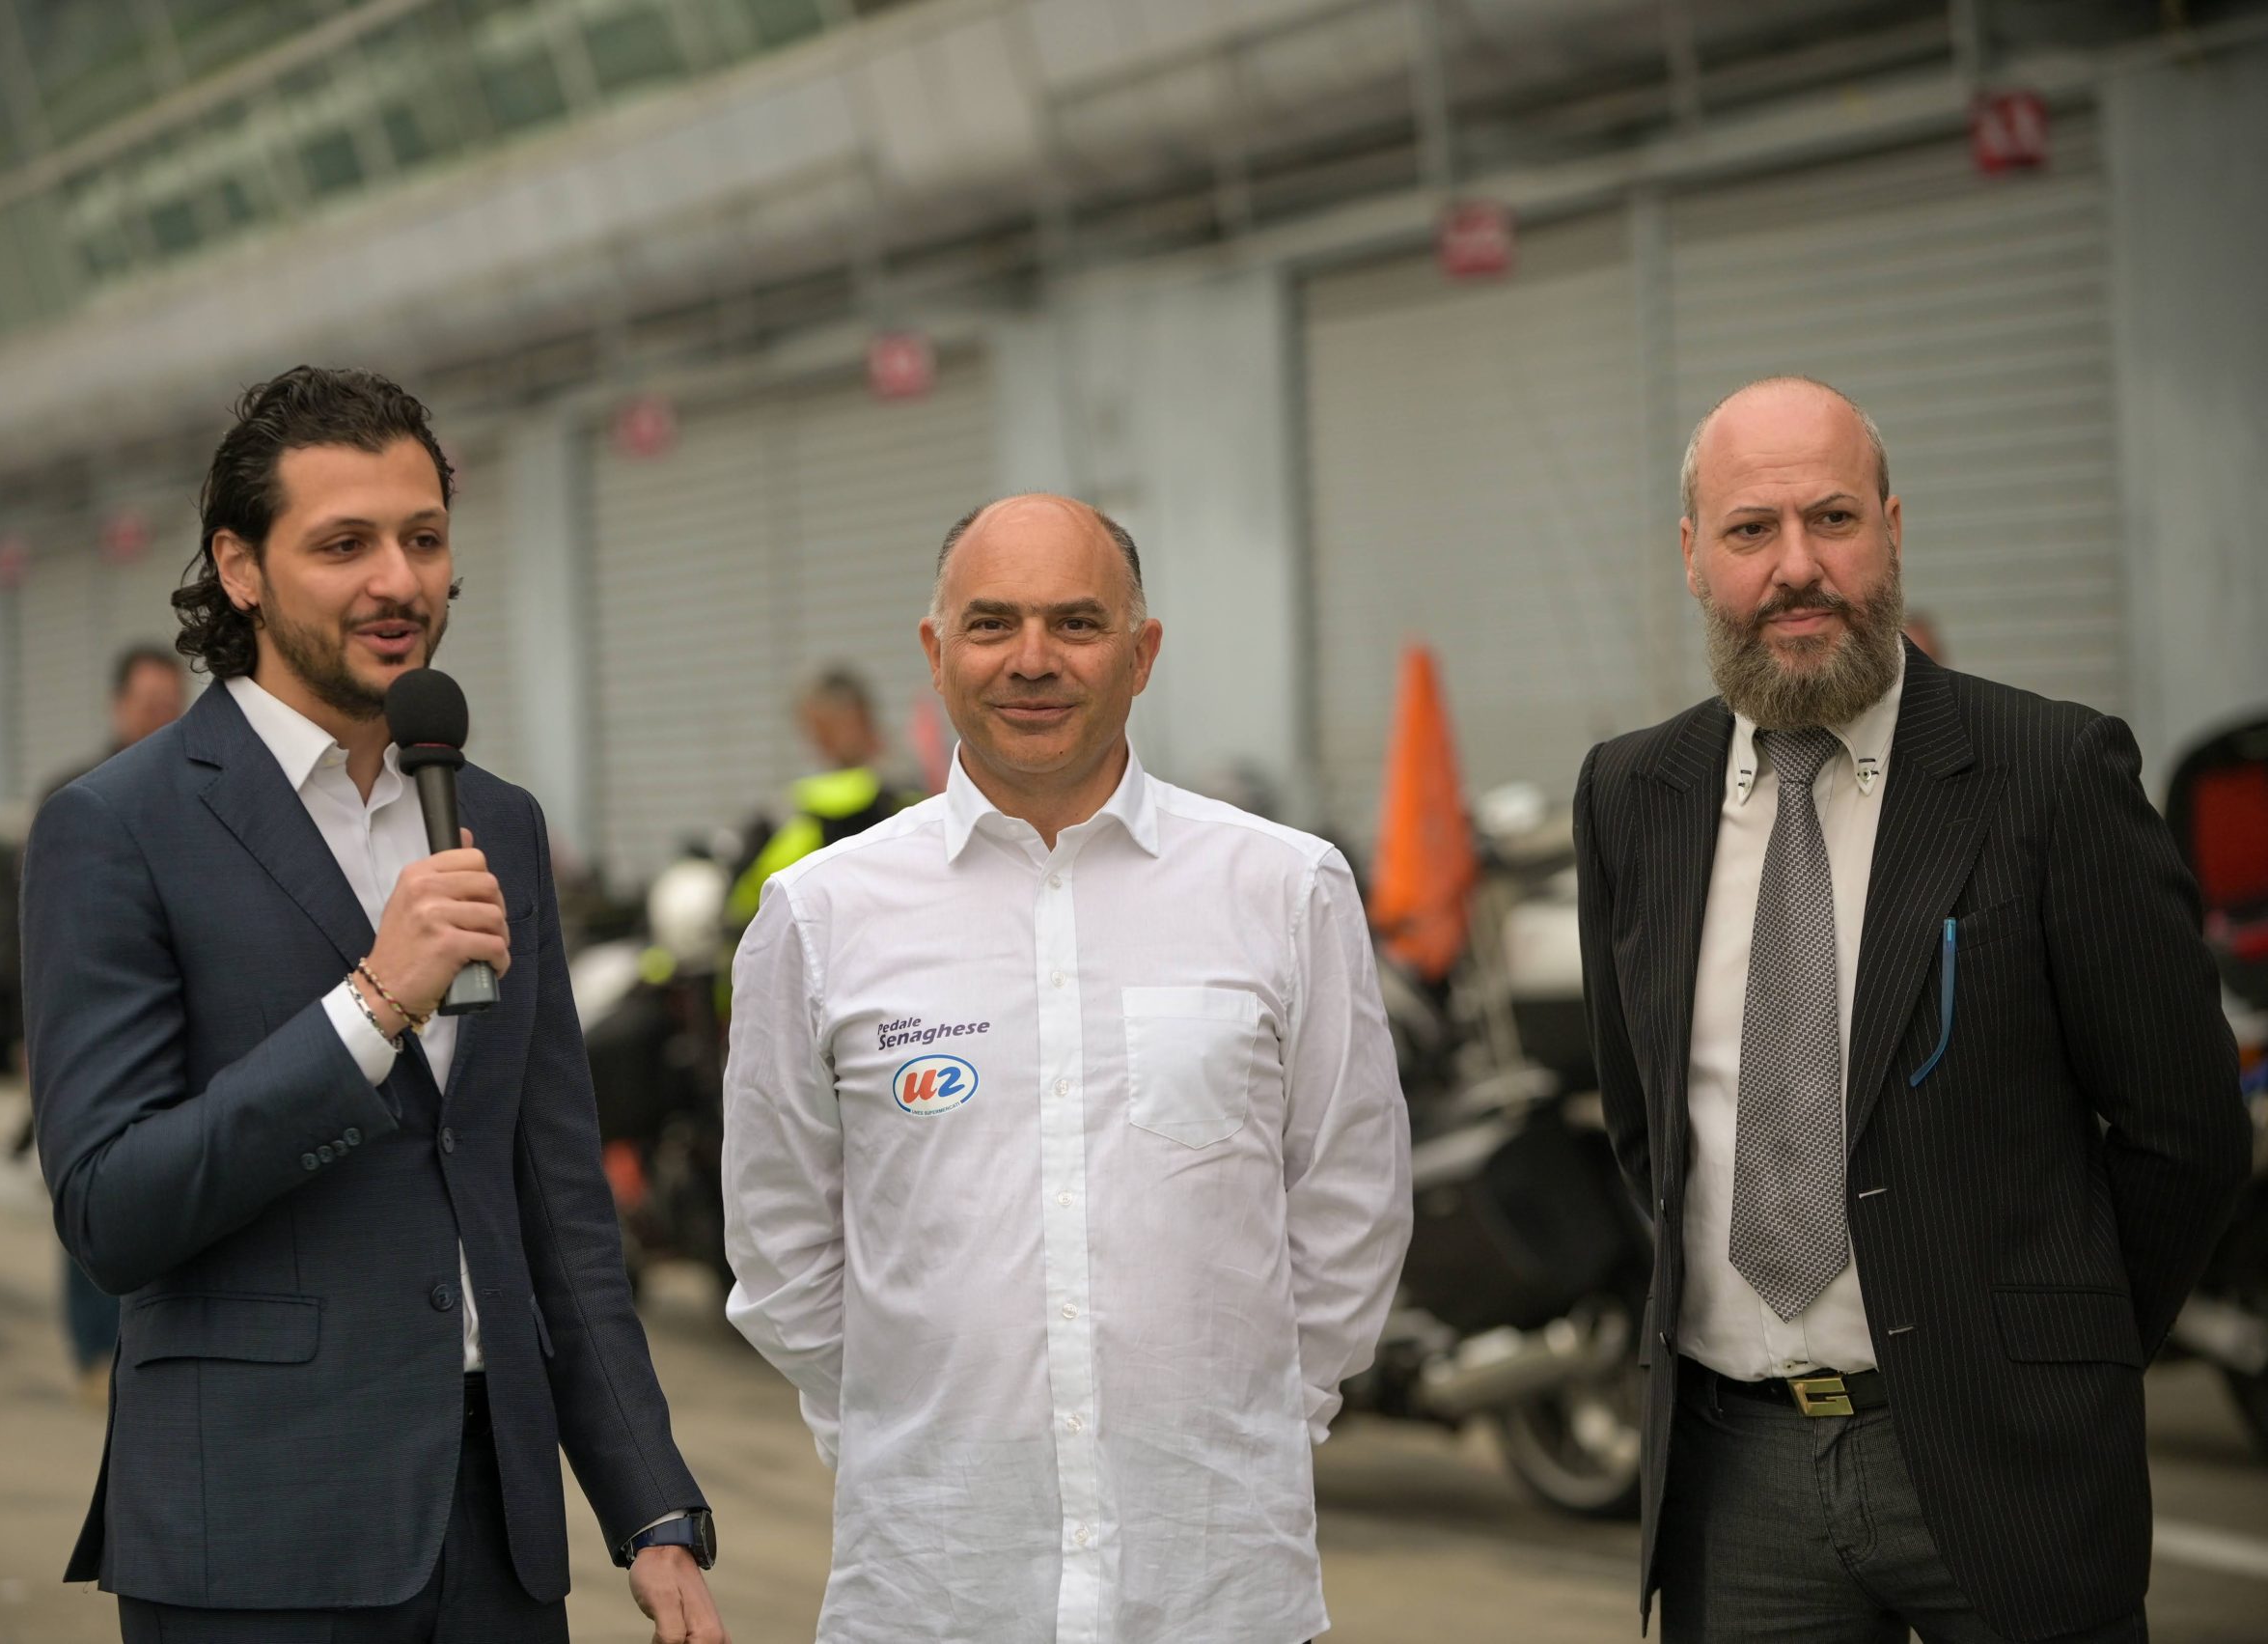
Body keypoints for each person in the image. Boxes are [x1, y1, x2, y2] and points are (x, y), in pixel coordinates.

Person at [22, 366, 728, 1642]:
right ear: (240, 567)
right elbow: (112, 1208)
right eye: (344, 543)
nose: (399, 581)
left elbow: (556, 1196)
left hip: (498, 1533)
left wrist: (651, 1502)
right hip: (256, 1532)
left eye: (424, 538)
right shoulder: (118, 826)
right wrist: (370, 1003)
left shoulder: (495, 818)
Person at [1572, 376, 2248, 1642]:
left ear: (1890, 528)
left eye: (1831, 518)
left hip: (2010, 1460)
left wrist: (2063, 1356)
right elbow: (1645, 1123)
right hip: (1737, 1470)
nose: (1796, 566)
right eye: (1751, 530)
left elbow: (2187, 1130)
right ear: (1692, 555)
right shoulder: (1629, 792)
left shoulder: (2050, 771)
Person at [722, 493, 1412, 1644]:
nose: (1032, 659)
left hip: (1216, 1590)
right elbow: (779, 1238)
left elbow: (1350, 1198)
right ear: (936, 651)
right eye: (991, 622)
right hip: (933, 1591)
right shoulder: (821, 912)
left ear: (1141, 653)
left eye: (1077, 623)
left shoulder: (1283, 888)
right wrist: (910, 1419)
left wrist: (1253, 1422)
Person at [0, 643, 185, 1406]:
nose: (160, 718)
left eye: (171, 705)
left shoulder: (202, 790)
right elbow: (21, 926)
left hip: (175, 1029)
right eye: (148, 704)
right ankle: (97, 1352)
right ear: (117, 706)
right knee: (93, 1187)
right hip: (86, 1034)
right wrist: (25, 1033)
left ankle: (154, 1345)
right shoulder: (77, 798)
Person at [725, 666, 914, 927]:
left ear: (856, 717)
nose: (816, 743)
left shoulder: (897, 788)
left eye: (822, 729)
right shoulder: (814, 798)